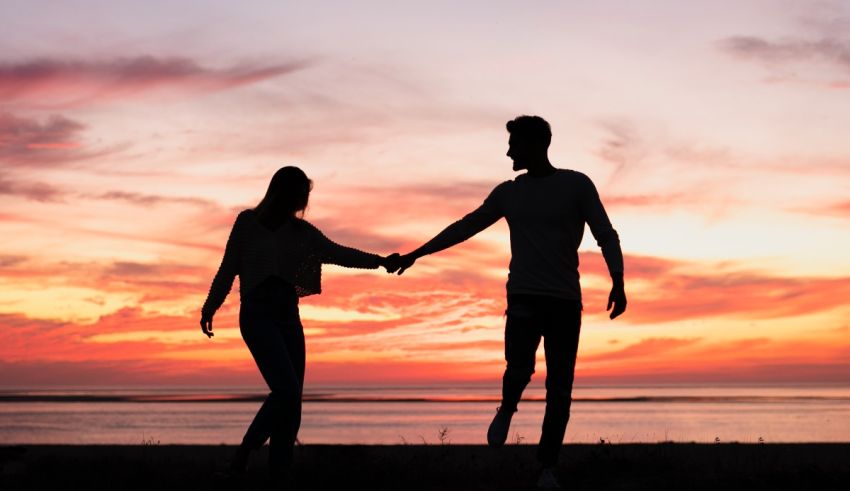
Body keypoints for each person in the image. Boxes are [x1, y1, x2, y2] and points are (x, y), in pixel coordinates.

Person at [386, 115, 627, 489]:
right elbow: (466, 226)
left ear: (535, 145)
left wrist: (618, 280)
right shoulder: (509, 193)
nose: (508, 151)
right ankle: (508, 407)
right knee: (519, 368)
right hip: (524, 295)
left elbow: (605, 234)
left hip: (564, 300)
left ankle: (547, 467)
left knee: (560, 387)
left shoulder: (576, 185)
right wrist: (418, 253)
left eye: (514, 144)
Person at [199, 166, 397, 485]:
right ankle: (241, 459)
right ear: (284, 191)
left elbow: (339, 253)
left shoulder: (303, 233)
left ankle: (280, 470)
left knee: (293, 400)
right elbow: (228, 268)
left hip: (288, 317)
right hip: (257, 314)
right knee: (286, 390)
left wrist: (381, 261)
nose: (304, 201)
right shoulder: (247, 222)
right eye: (301, 193)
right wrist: (211, 305)